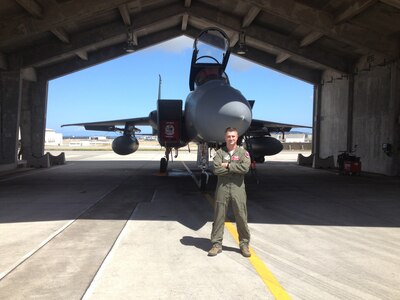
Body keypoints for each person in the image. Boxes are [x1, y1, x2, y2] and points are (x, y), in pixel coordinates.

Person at [208, 127, 251, 257]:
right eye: (228, 136)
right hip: (222, 188)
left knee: (241, 217)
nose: (231, 138)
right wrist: (235, 168)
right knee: (219, 216)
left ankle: (244, 244)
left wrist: (227, 165)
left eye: (233, 136)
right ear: (225, 138)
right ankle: (216, 244)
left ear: (237, 137)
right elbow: (216, 169)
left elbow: (245, 168)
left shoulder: (243, 153)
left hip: (238, 189)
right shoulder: (220, 153)